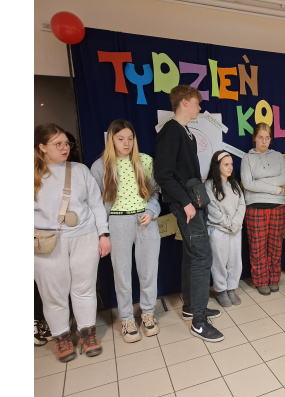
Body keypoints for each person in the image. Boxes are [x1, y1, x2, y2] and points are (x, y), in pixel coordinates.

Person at [154, 85, 224, 342]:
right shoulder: (171, 131)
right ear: (184, 102)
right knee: (202, 256)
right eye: (197, 103)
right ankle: (199, 322)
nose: (200, 107)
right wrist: (185, 202)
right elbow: (163, 174)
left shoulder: (187, 133)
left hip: (193, 201)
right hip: (186, 204)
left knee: (191, 255)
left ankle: (191, 307)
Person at [34, 123, 109, 362]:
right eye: (57, 144)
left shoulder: (80, 170)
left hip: (84, 236)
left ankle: (88, 333)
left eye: (66, 143)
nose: (64, 148)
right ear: (42, 147)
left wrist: (103, 235)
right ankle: (62, 337)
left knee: (84, 289)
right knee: (53, 294)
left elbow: (96, 204)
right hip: (47, 242)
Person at [91, 119, 162, 343]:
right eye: (121, 139)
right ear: (111, 140)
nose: (126, 143)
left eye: (130, 138)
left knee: (149, 271)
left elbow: (155, 192)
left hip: (145, 220)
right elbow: (95, 202)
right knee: (121, 273)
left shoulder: (145, 161)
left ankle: (148, 313)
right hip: (118, 221)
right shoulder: (100, 166)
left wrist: (151, 211)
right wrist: (103, 232)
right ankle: (127, 319)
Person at [240, 123, 285, 296]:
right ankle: (261, 281)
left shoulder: (278, 156)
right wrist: (275, 189)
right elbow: (247, 184)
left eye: (267, 138)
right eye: (260, 137)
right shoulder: (247, 158)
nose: (264, 141)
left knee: (275, 246)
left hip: (277, 206)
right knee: (257, 247)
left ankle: (274, 279)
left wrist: (259, 183)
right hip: (255, 207)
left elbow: (284, 178)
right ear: (254, 138)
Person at [205, 151, 246, 307]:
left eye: (231, 164)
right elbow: (212, 209)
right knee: (220, 262)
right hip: (218, 230)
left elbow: (241, 204)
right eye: (226, 164)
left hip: (235, 229)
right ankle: (221, 290)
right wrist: (228, 223)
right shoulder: (209, 185)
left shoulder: (234, 184)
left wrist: (235, 223)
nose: (230, 168)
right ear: (217, 166)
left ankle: (231, 288)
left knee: (235, 261)